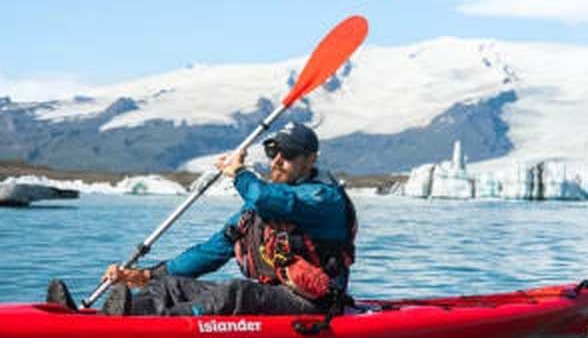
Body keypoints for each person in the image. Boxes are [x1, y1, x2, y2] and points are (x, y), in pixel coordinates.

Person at [47, 122, 357, 317]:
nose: (277, 161)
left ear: (310, 159)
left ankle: (143, 329)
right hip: (275, 296)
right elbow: (210, 252)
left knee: (235, 293)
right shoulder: (258, 208)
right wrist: (146, 276)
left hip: (312, 303)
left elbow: (266, 198)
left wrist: (238, 173)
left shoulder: (323, 199)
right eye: (273, 153)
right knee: (170, 288)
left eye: (288, 155)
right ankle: (104, 318)